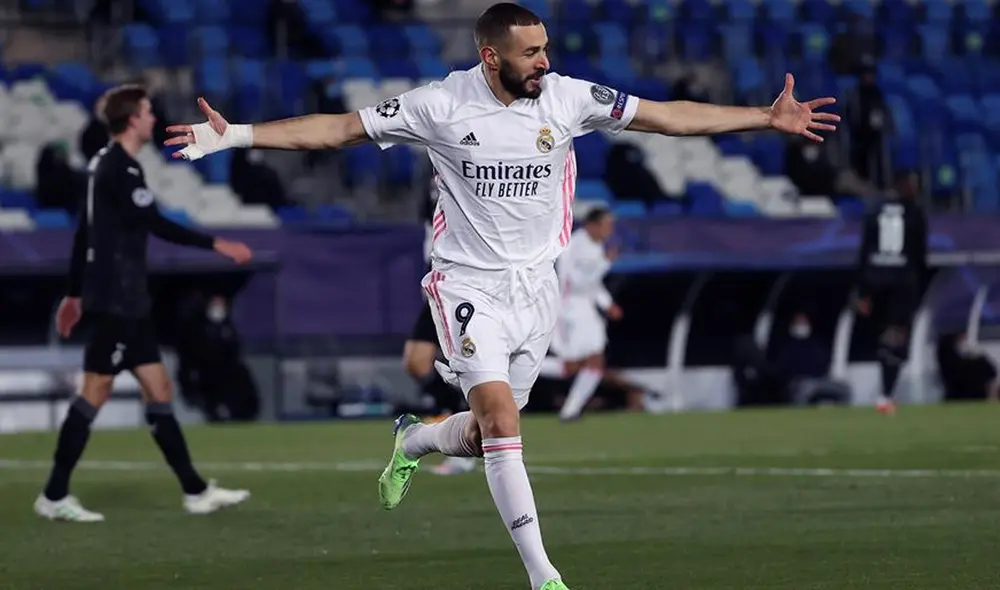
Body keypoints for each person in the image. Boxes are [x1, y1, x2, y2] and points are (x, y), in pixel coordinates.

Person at [164, 4, 839, 587]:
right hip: (468, 284)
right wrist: (239, 136)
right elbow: (338, 128)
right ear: (491, 56)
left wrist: (760, 117)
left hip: (537, 289)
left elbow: (665, 116)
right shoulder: (440, 106)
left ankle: (418, 441)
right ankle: (544, 574)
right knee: (503, 422)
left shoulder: (568, 98)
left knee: (491, 432)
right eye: (531, 52)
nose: (545, 61)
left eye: (546, 48)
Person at [35, 84, 254, 523]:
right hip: (117, 302)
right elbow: (154, 223)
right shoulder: (120, 170)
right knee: (95, 392)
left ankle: (194, 491)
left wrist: (74, 294)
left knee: (159, 389)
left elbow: (84, 236)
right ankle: (54, 495)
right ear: (133, 120)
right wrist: (217, 243)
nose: (153, 118)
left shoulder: (103, 166)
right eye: (148, 112)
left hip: (124, 302)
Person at [540, 207, 647, 420]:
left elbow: (592, 285)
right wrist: (605, 263)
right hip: (569, 311)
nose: (609, 230)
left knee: (595, 361)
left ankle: (571, 411)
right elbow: (576, 283)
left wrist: (607, 304)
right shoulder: (574, 247)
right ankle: (516, 366)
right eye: (606, 225)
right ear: (592, 225)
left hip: (585, 310)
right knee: (570, 367)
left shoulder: (594, 247)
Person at [855, 171, 928, 415]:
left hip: (876, 280)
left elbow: (865, 251)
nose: (915, 189)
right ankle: (886, 395)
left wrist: (863, 291)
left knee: (883, 337)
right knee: (895, 337)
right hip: (901, 282)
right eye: (912, 184)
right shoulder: (914, 212)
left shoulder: (875, 210)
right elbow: (920, 254)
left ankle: (886, 393)